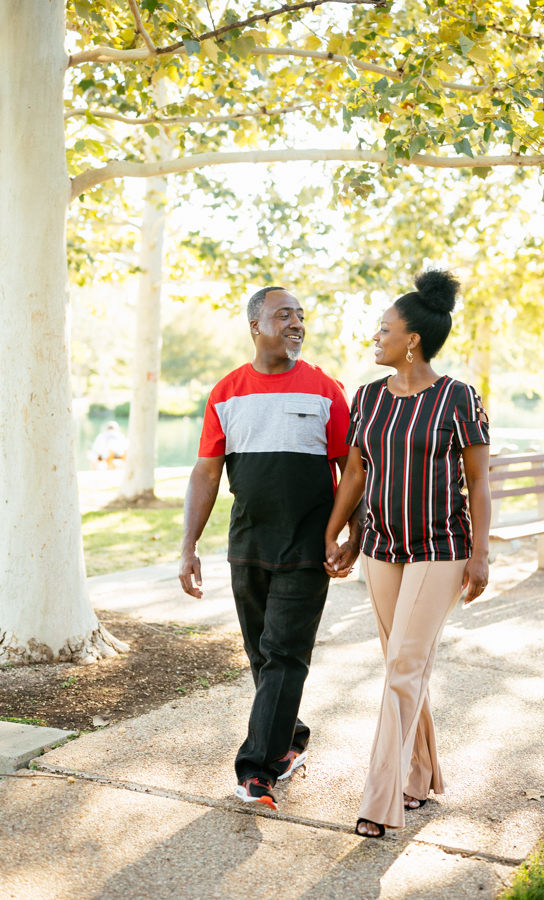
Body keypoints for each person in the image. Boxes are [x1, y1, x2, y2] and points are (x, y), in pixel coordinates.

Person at [179, 286, 362, 811]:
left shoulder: (326, 389)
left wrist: (352, 532)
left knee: (284, 654)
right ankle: (290, 736)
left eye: (301, 317)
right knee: (262, 652)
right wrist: (188, 545)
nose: (297, 324)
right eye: (284, 315)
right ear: (256, 325)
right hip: (248, 543)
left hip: (308, 545)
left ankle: (257, 769)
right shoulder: (227, 392)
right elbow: (207, 471)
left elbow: (352, 470)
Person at [324, 269, 491, 838]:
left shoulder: (457, 397)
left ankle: (379, 799)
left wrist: (482, 554)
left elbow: (479, 483)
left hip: (441, 548)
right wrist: (339, 533)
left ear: (412, 339)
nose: (376, 336)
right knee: (403, 665)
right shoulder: (369, 397)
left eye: (384, 329)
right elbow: (356, 471)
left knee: (403, 665)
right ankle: (419, 775)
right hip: (380, 547)